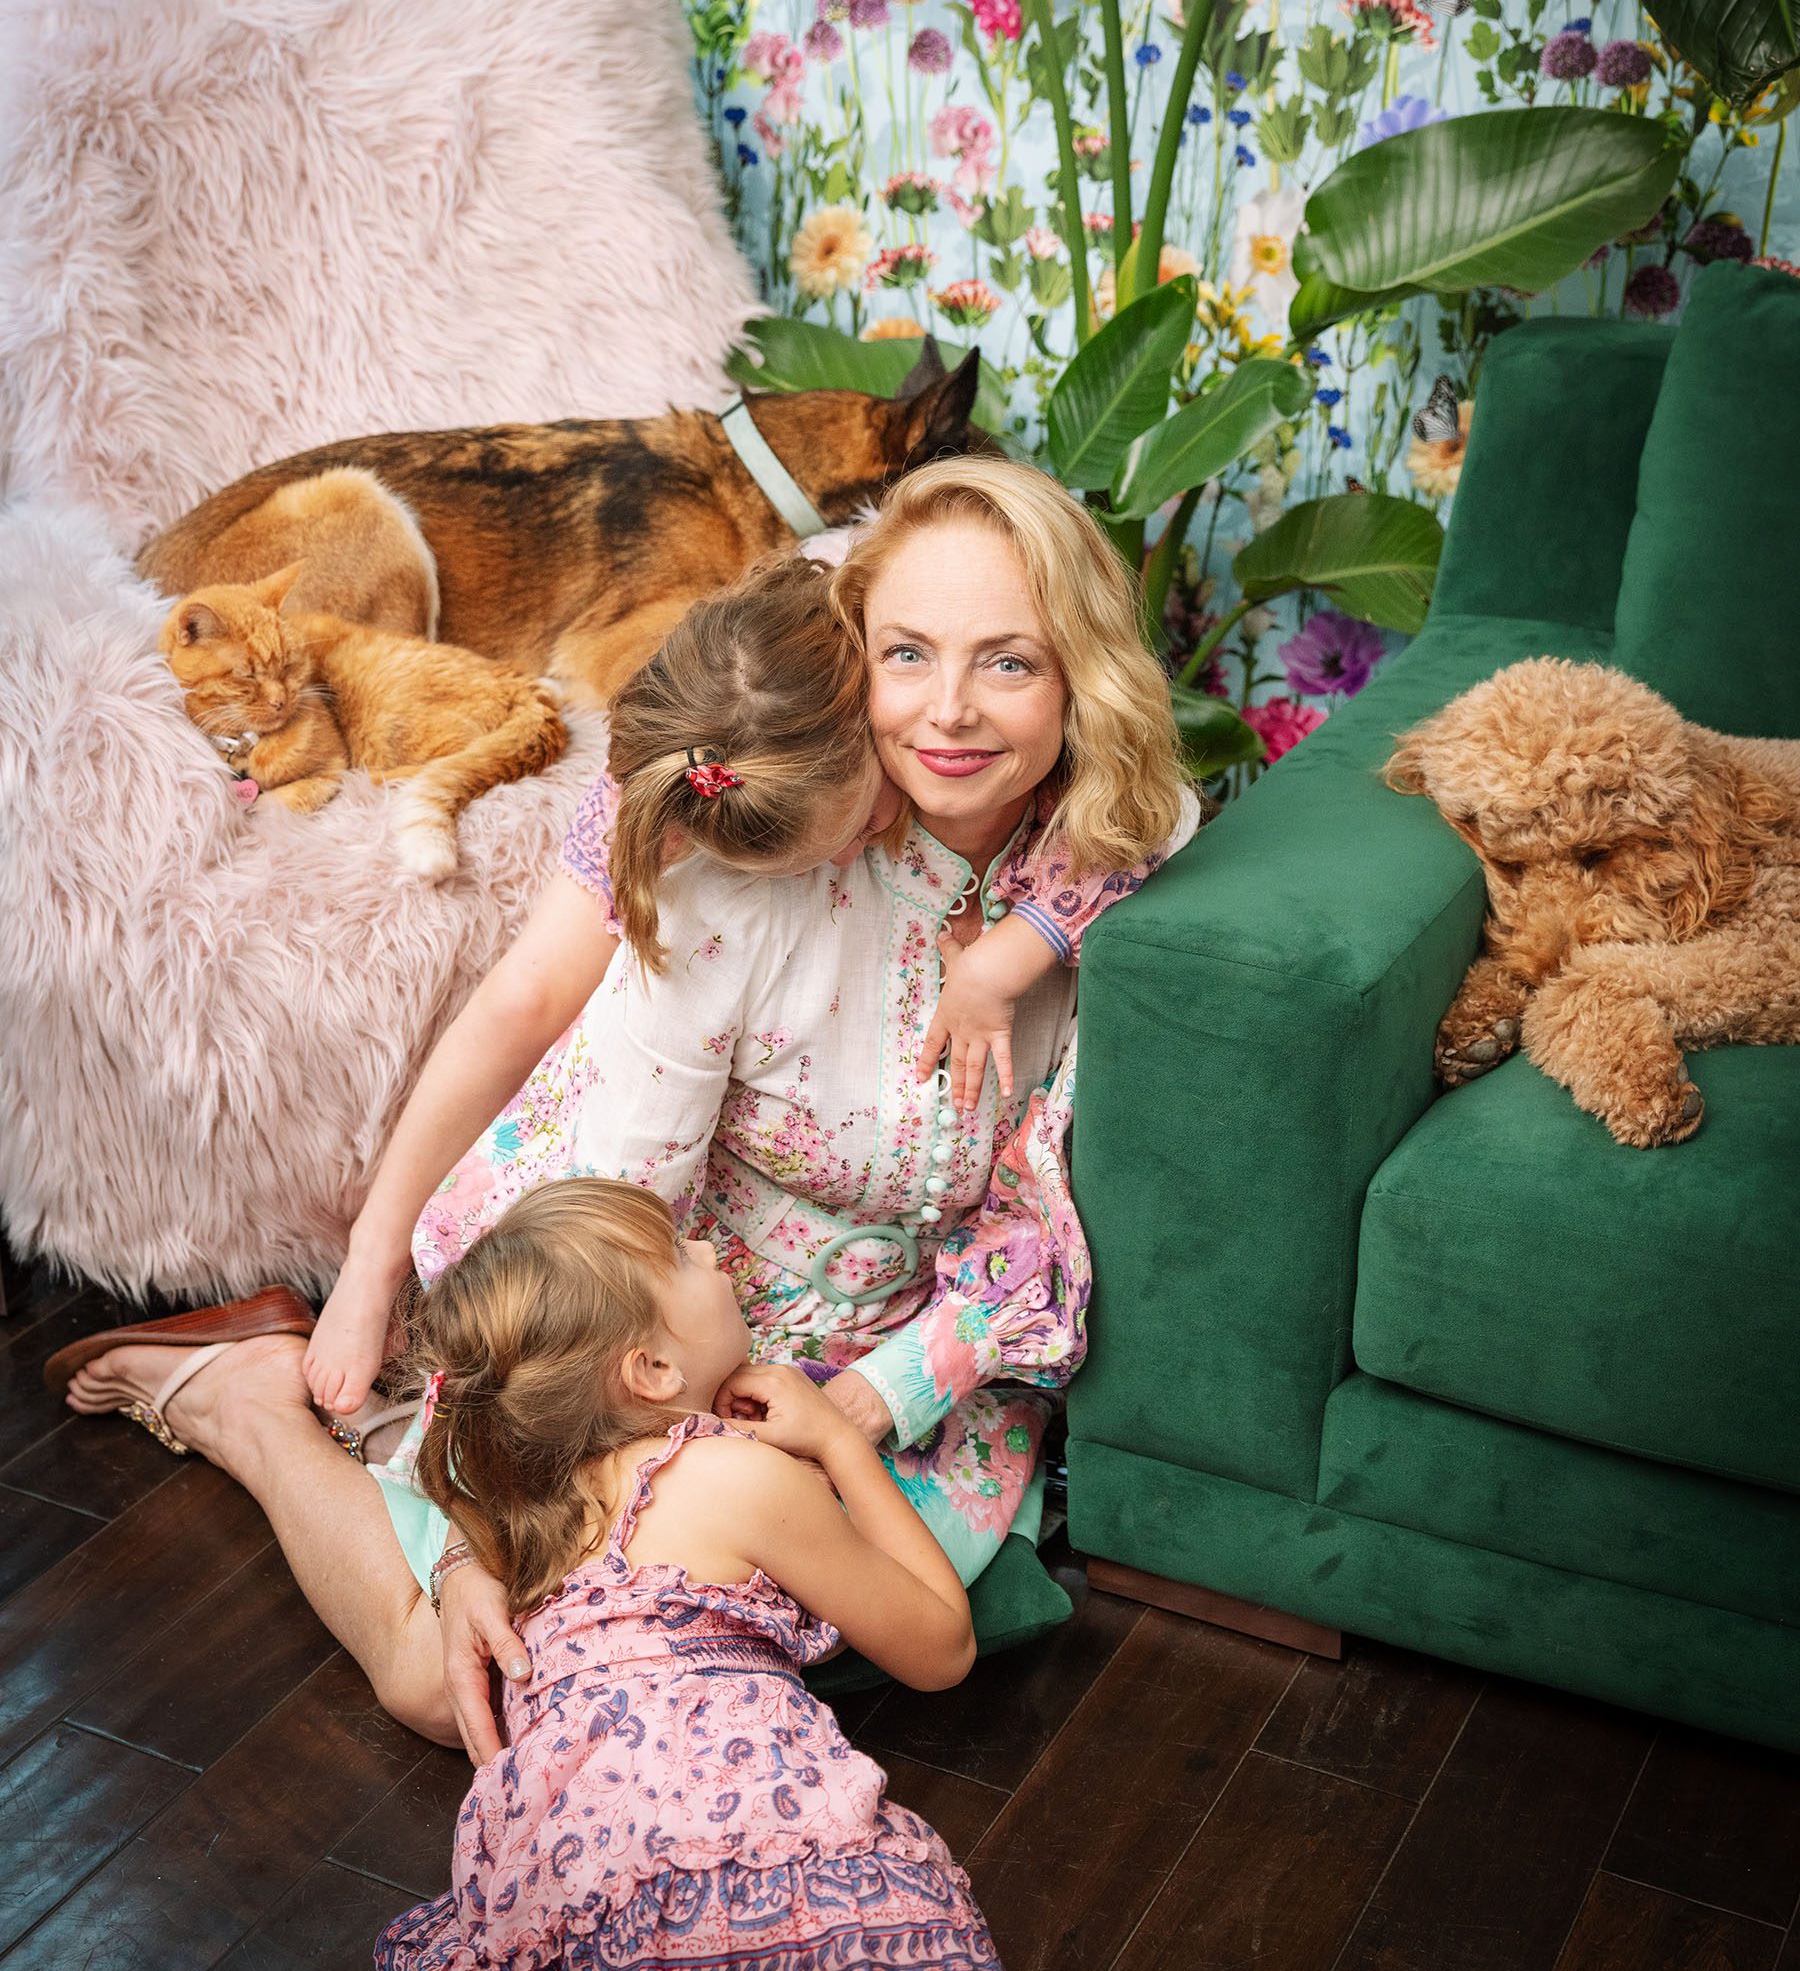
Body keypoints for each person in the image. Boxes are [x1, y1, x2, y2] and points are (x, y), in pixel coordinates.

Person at [53, 457, 1194, 1758]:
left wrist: (865, 1404)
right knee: (462, 1678)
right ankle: (256, 1401)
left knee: (875, 1641)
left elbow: (1029, 1214)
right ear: (848, 654)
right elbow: (574, 1109)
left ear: (1078, 676)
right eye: (908, 654)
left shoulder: (1102, 881)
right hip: (648, 1319)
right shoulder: (735, 843)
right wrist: (501, 1523)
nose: (948, 712)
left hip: (885, 1364)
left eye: (1011, 663)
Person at [374, 1175, 1025, 1971]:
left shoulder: (523, 1517)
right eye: (684, 1256)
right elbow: (941, 1651)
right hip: (759, 1875)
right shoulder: (737, 1477)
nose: (713, 1250)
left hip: (577, 1904)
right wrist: (834, 1438)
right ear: (650, 1368)